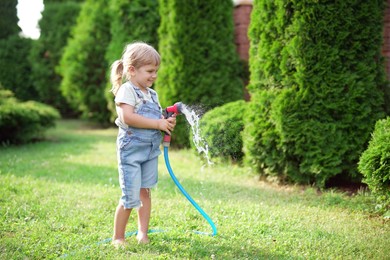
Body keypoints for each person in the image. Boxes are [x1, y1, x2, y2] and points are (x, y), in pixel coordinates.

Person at [109, 42, 176, 247]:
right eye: (149, 71)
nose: (154, 75)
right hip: (131, 152)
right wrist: (157, 123)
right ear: (131, 70)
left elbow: (154, 117)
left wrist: (165, 120)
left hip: (149, 151)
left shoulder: (152, 94)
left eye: (156, 71)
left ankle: (142, 234)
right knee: (130, 196)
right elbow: (128, 117)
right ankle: (118, 238)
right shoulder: (127, 91)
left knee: (145, 191)